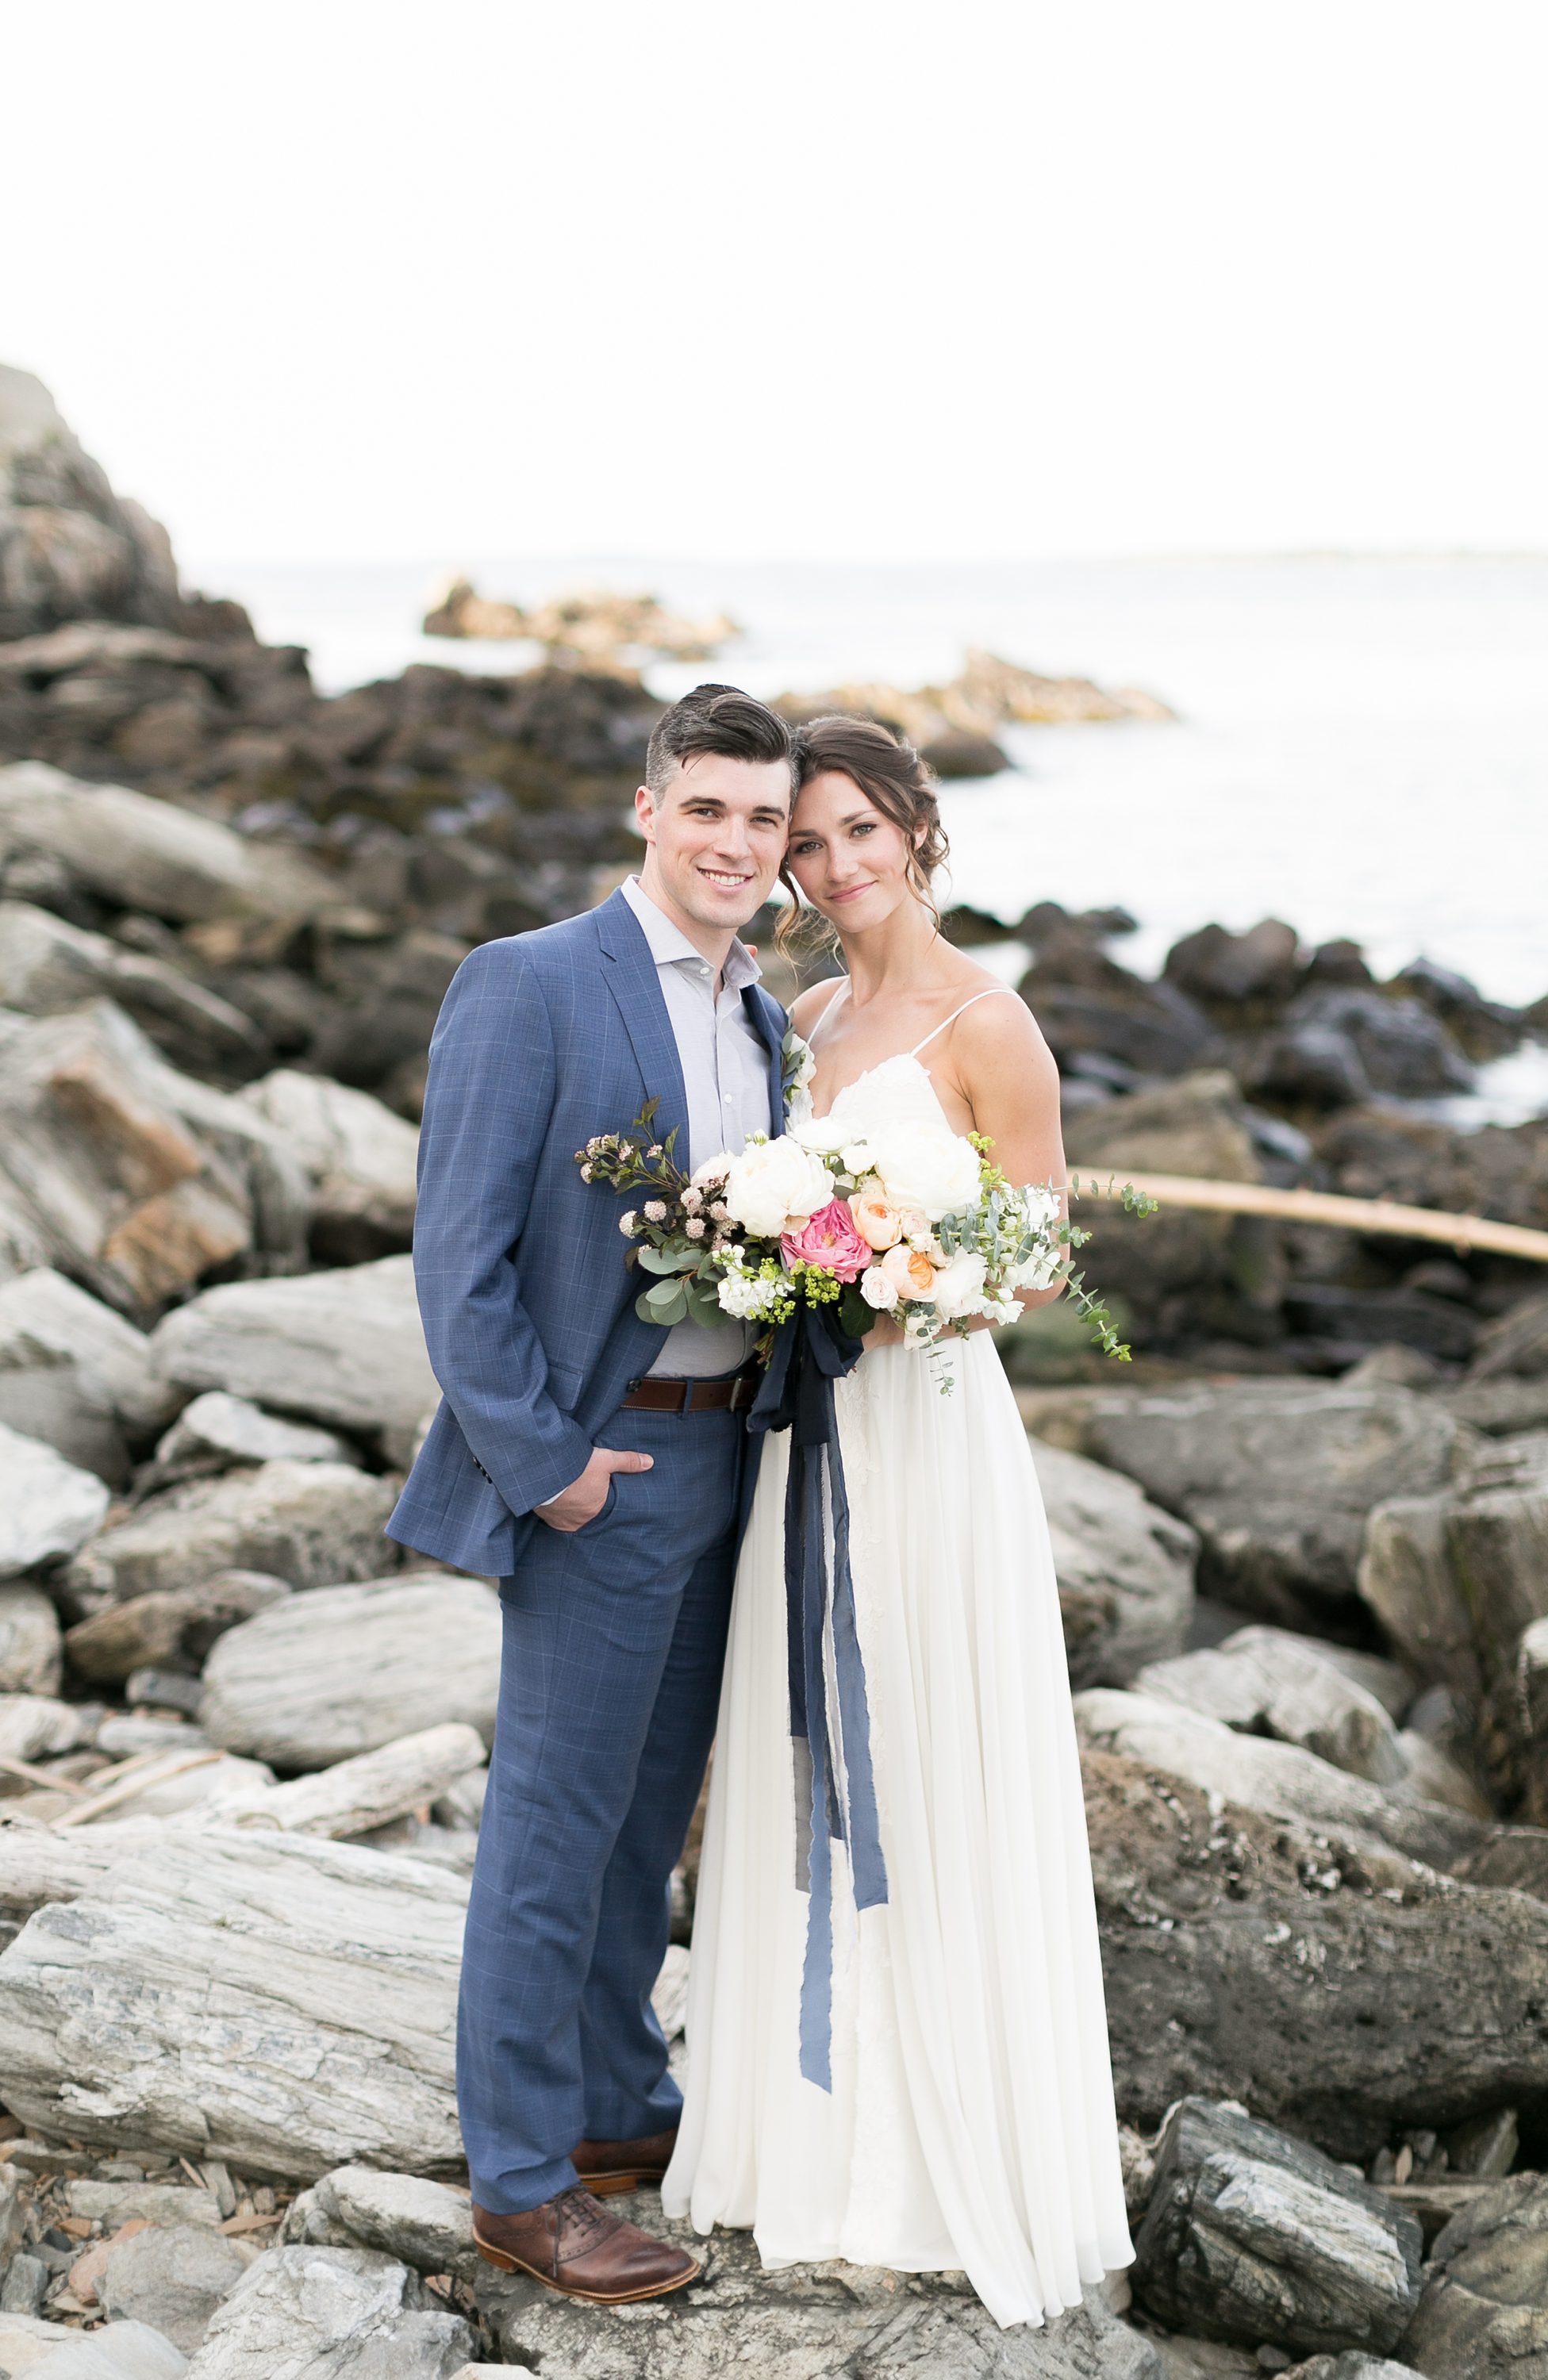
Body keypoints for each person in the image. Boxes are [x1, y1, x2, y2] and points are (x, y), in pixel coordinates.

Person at [663, 715, 1134, 2328]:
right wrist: (781, 1266)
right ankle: (800, 2139)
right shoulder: (796, 1017)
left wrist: (896, 1285)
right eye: (805, 843)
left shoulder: (989, 1024)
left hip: (928, 1434)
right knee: (806, 1755)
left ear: (915, 830)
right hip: (809, 1442)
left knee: (929, 1759)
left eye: (856, 830)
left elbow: (1040, 1255)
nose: (831, 864)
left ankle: (938, 2160)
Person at [389, 683, 796, 2305]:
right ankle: (521, 2181)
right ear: (648, 810)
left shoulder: (765, 1014)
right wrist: (549, 1469)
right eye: (707, 809)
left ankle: (619, 2109)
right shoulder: (533, 984)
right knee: (554, 1826)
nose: (735, 844)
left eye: (761, 821)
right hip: (601, 1465)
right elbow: (458, 1256)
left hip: (730, 1453)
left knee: (645, 1824)